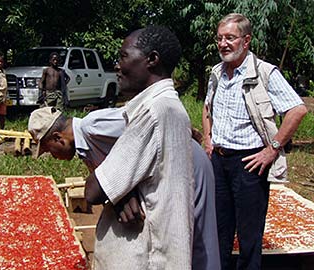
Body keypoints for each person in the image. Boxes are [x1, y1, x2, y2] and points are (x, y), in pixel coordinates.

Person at [28, 105, 219, 270]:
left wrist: (185, 129)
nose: (52, 156)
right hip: (162, 172)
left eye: (48, 149)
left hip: (184, 161)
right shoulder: (86, 150)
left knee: (199, 238)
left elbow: (150, 118)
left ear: (58, 138)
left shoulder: (93, 126)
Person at [202, 13, 307, 270]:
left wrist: (272, 149)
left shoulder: (263, 72)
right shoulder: (217, 72)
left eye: (230, 38)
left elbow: (297, 110)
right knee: (219, 230)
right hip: (219, 160)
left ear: (246, 40)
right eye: (220, 39)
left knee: (249, 236)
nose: (223, 44)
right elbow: (207, 108)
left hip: (249, 163)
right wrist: (208, 140)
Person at [84, 26, 193, 269]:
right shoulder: (170, 107)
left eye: (123, 56)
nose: (117, 65)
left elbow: (93, 191)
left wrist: (116, 189)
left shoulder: (153, 112)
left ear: (152, 60)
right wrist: (124, 190)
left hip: (144, 257)